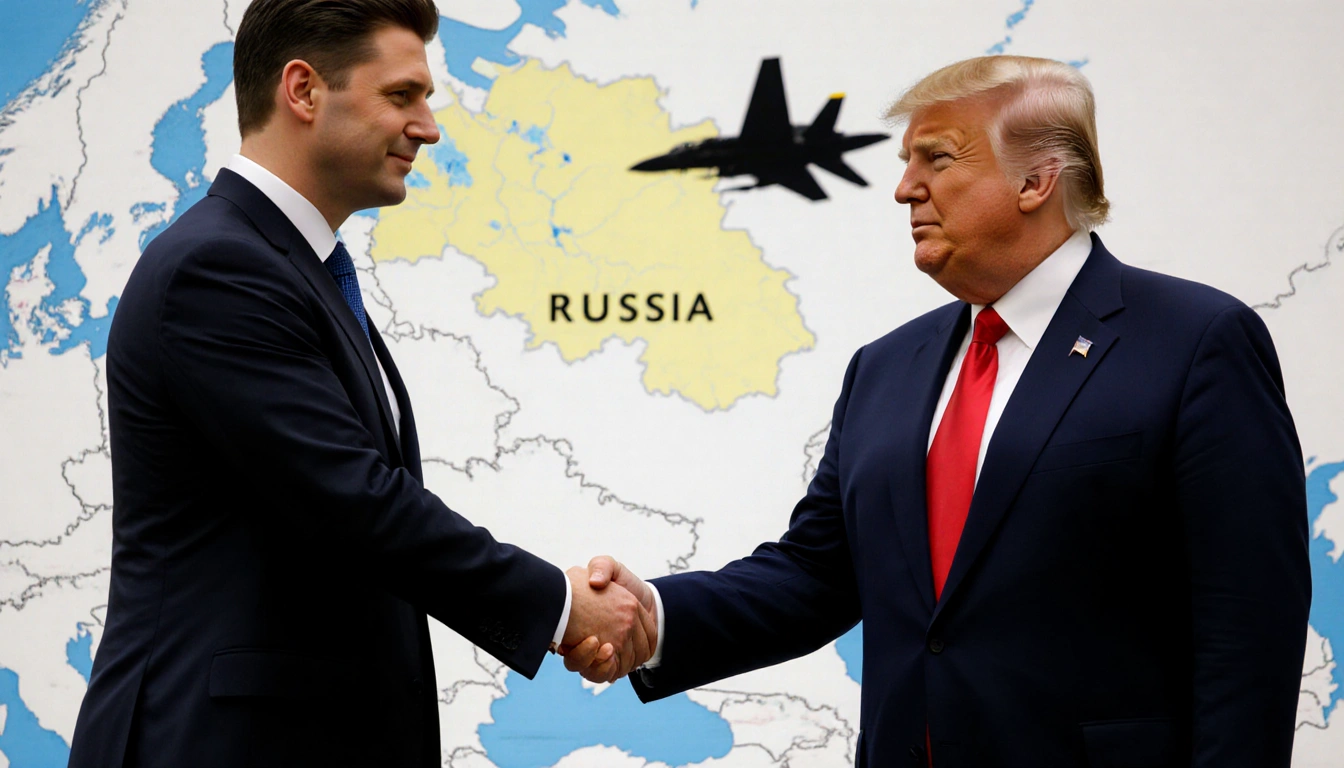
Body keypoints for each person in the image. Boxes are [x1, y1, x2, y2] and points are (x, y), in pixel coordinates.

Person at [566, 55, 1311, 767]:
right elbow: (816, 575)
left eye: (937, 159)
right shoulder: (885, 368)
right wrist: (653, 617)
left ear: (1036, 180)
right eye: (906, 162)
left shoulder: (1193, 342)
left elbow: (1249, 625)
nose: (904, 189)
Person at [67, 1, 652, 765]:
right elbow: (355, 502)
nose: (428, 128)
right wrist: (563, 607)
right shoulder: (218, 269)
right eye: (402, 95)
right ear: (304, 90)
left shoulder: (289, 269)